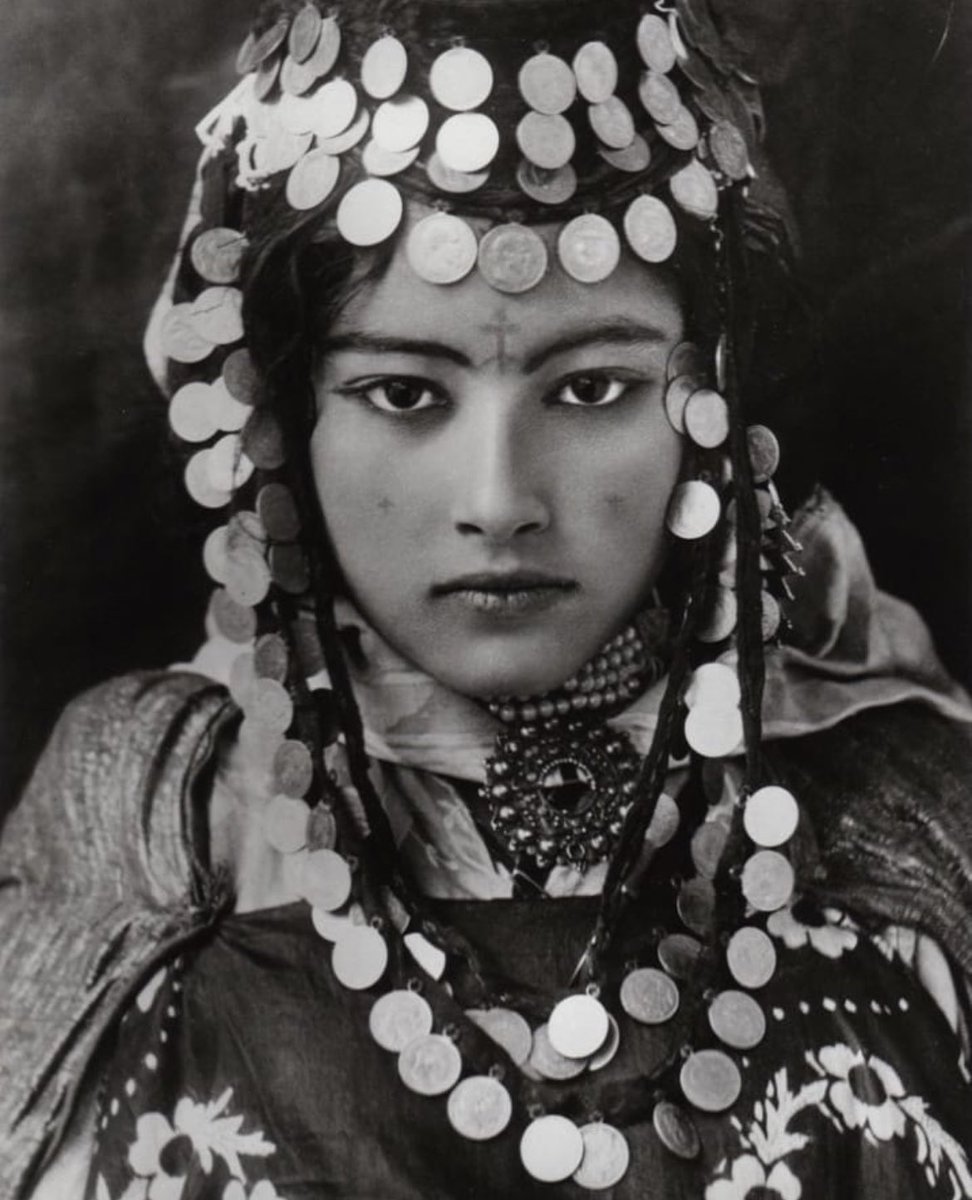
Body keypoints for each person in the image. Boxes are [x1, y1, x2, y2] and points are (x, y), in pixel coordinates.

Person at [3, 0, 972, 1196]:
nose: (499, 499)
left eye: (594, 388)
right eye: (406, 394)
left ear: (713, 414)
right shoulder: (155, 823)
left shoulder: (908, 819)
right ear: (285, 421)